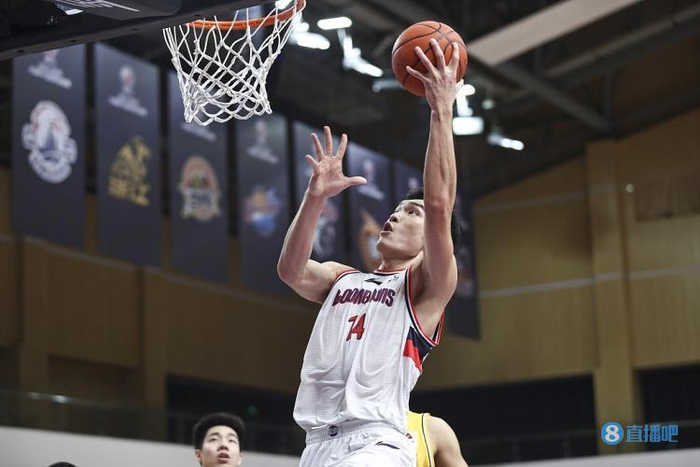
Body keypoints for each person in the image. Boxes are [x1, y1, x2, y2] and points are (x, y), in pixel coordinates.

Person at [278, 37, 463, 467]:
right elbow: (291, 270)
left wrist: (441, 110)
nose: (395, 216)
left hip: (376, 443)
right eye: (396, 209)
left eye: (411, 212)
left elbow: (440, 205)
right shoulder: (341, 279)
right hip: (316, 446)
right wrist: (314, 198)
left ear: (432, 239)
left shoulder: (426, 287)